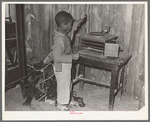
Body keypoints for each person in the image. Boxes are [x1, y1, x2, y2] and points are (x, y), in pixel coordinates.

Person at [42, 11, 85, 111]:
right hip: (61, 66)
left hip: (66, 65)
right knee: (63, 86)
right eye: (70, 25)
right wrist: (72, 57)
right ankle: (60, 104)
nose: (72, 26)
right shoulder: (59, 41)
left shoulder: (64, 32)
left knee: (68, 84)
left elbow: (74, 25)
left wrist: (81, 19)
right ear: (63, 25)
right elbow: (57, 57)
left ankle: (67, 100)